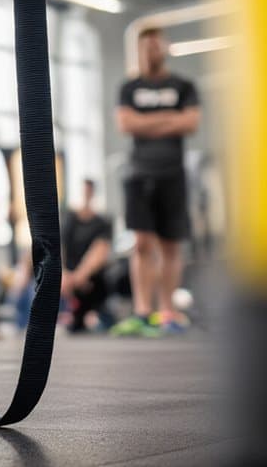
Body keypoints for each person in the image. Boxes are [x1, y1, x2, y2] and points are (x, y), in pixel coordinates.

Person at [110, 27, 201, 337]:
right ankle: (142, 312)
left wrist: (145, 123)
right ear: (139, 52)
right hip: (139, 174)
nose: (150, 53)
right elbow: (125, 123)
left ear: (164, 48)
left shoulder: (183, 85)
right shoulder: (129, 87)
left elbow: (190, 122)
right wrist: (168, 120)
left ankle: (168, 312)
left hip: (172, 173)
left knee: (171, 244)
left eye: (154, 47)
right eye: (144, 48)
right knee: (142, 243)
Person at [60, 179, 114, 333]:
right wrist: (63, 274)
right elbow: (60, 247)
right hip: (67, 278)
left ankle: (93, 315)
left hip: (90, 279)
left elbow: (100, 250)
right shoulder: (69, 218)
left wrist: (80, 276)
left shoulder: (102, 222)